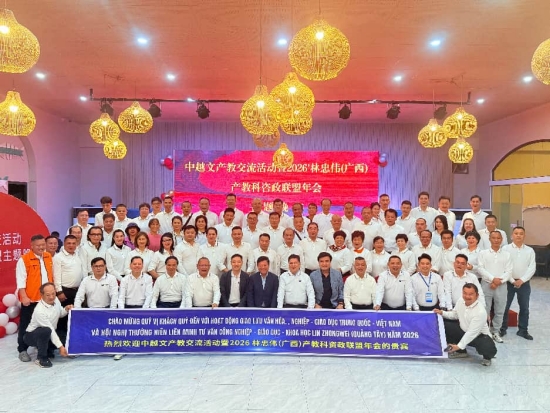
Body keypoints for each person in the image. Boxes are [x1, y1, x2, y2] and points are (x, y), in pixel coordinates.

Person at [435, 283, 497, 366]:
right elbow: (455, 315)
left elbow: (472, 333)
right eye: (465, 293)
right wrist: (442, 313)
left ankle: (487, 357)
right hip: (464, 331)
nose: (467, 296)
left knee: (487, 347)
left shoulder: (480, 312)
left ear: (477, 295)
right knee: (447, 325)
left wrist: (458, 346)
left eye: (471, 294)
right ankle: (461, 352)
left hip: (479, 337)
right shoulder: (461, 301)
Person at [15, 235, 54, 362]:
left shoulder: (48, 257)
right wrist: (24, 297)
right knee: (26, 325)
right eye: (38, 245)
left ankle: (43, 348)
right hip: (31, 300)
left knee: (46, 324)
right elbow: (21, 281)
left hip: (46, 300)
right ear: (31, 246)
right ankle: (22, 350)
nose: (41, 247)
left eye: (43, 245)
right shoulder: (24, 260)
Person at [23, 282, 73, 368]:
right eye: (48, 295)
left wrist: (66, 309)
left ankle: (48, 349)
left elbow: (60, 313)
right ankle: (41, 358)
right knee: (46, 331)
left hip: (48, 333)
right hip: (31, 335)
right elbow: (50, 330)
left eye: (53, 293)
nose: (51, 297)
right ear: (41, 295)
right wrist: (61, 347)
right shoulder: (39, 311)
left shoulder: (56, 300)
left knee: (64, 337)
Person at [477, 231, 513, 343]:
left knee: (500, 310)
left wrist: (498, 281)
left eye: (498, 238)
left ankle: (496, 331)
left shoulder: (507, 254)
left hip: (501, 285)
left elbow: (509, 271)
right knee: (485, 309)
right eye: (494, 238)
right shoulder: (483, 253)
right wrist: (493, 279)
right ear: (490, 239)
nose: (496, 240)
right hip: (486, 284)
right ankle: (485, 331)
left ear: (501, 239)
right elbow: (480, 269)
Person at [502, 226, 536, 340]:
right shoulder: (505, 249)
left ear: (524, 236)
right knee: (505, 307)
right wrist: (512, 280)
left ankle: (523, 330)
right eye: (516, 233)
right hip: (508, 282)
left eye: (521, 233)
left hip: (524, 283)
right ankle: (502, 329)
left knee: (524, 307)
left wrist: (522, 280)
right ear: (512, 235)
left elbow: (532, 267)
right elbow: (504, 266)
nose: (518, 235)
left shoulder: (529, 250)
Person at [53, 235, 83, 307]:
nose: (71, 245)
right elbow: (56, 276)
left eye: (73, 243)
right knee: (65, 313)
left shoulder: (78, 255)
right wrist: (59, 292)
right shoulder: (58, 257)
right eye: (69, 243)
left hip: (78, 291)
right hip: (65, 291)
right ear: (64, 243)